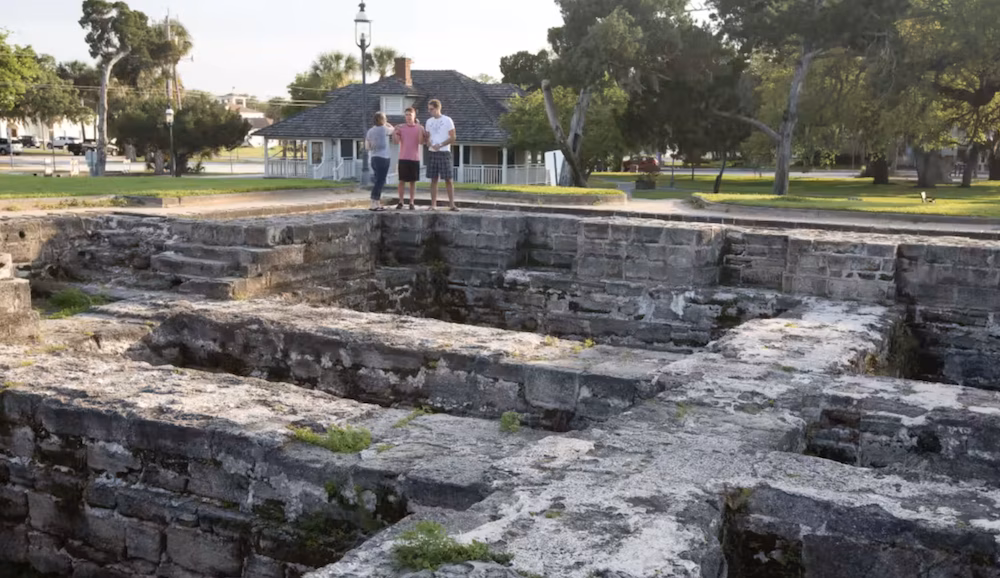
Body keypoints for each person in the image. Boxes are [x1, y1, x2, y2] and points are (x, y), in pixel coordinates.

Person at [424, 99, 457, 211]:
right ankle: (433, 204)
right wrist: (429, 143)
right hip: (432, 152)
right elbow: (427, 136)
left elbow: (453, 137)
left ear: (438, 108)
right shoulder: (428, 122)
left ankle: (452, 204)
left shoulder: (448, 120)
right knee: (433, 179)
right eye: (429, 109)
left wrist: (441, 144)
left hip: (444, 152)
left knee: (448, 178)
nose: (430, 111)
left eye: (431, 109)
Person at [393, 107, 424, 210]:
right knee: (402, 181)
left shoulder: (419, 128)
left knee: (413, 182)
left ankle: (411, 202)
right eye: (406, 115)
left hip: (414, 158)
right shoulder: (401, 128)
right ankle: (401, 201)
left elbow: (421, 142)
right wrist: (395, 131)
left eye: (410, 115)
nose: (408, 117)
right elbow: (396, 141)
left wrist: (421, 130)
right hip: (403, 157)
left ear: (414, 115)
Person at [365, 112, 395, 211]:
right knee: (380, 181)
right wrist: (387, 123)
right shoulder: (384, 129)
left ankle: (377, 203)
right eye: (385, 118)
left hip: (373, 158)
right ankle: (373, 202)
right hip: (383, 158)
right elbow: (393, 129)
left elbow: (367, 146)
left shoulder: (370, 131)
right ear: (382, 120)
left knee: (378, 179)